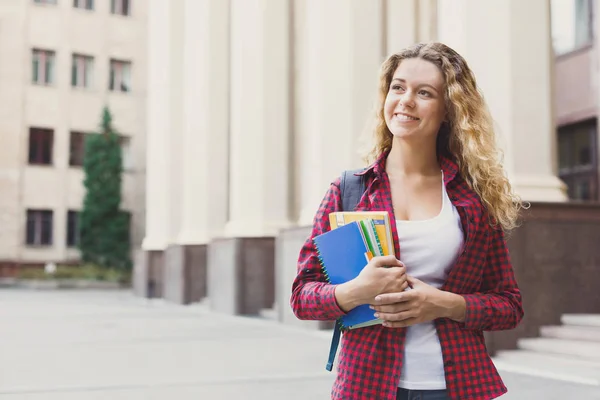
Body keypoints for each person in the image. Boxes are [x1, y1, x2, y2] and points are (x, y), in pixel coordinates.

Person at [290, 42, 524, 400]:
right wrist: (355, 291)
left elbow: (508, 305)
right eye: (398, 87)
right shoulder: (349, 190)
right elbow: (302, 296)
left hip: (456, 386)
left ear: (448, 110)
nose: (406, 101)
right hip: (367, 386)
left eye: (424, 92)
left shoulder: (471, 199)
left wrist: (444, 303)